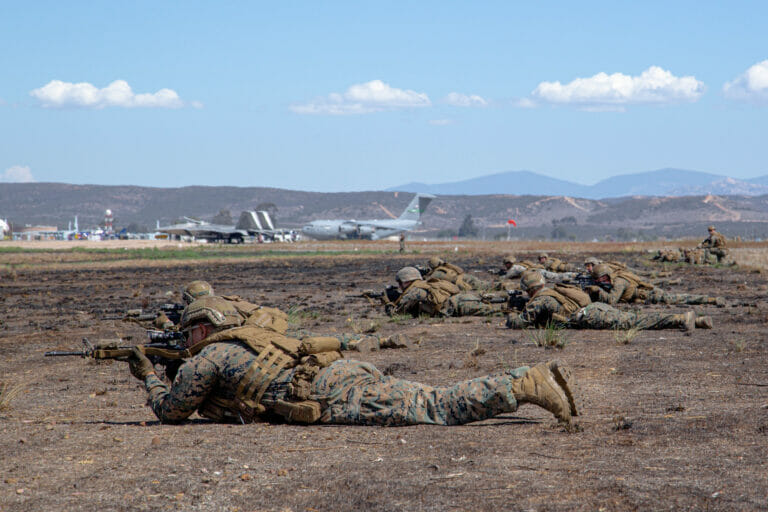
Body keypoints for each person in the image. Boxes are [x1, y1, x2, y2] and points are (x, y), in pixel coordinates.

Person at [127, 296, 578, 426]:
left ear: (202, 330)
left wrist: (148, 377)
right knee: (426, 395)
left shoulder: (206, 358)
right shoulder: (249, 336)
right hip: (337, 372)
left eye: (190, 333)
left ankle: (522, 384)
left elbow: (171, 412)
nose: (187, 341)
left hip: (329, 391)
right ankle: (528, 380)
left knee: (433, 407)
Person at [506, 271, 713, 331]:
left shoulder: (540, 299)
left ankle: (680, 318)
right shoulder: (553, 291)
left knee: (635, 323)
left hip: (591, 315)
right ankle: (698, 321)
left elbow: (519, 323)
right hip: (595, 308)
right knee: (634, 317)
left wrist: (510, 313)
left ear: (530, 289)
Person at [387, 267, 504, 317]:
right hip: (461, 298)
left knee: (496, 312)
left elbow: (397, 313)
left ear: (406, 281)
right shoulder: (425, 284)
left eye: (400, 283)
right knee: (491, 306)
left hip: (458, 305)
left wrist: (388, 301)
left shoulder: (414, 292)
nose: (400, 286)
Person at [588, 264, 725, 307]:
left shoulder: (619, 282)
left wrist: (598, 291)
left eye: (599, 279)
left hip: (651, 295)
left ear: (604, 276)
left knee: (678, 299)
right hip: (643, 296)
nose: (598, 281)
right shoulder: (614, 278)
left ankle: (710, 300)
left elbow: (612, 300)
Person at [425, 257, 492, 291]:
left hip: (464, 281)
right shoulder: (446, 267)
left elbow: (428, 281)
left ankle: (501, 285)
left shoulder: (437, 273)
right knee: (484, 284)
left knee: (486, 286)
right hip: (465, 278)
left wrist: (425, 275)